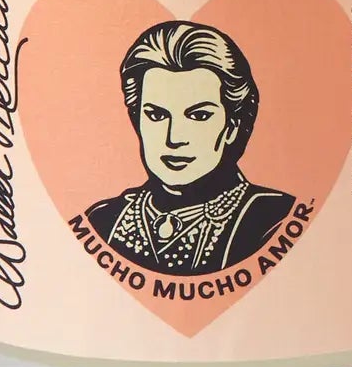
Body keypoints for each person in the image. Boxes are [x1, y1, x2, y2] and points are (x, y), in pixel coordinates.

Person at [87, 21, 294, 275]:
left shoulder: (274, 219)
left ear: (232, 125)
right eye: (157, 115)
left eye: (198, 116)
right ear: (137, 120)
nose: (174, 138)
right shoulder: (103, 219)